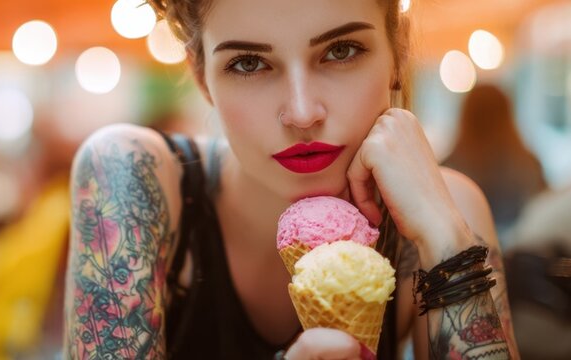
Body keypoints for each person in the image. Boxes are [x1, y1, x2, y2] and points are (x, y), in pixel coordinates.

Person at [62, 0, 518, 359]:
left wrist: (445, 241)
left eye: (341, 51)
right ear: (202, 76)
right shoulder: (132, 175)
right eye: (248, 63)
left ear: (397, 53)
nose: (302, 112)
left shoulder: (447, 209)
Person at [443, 83, 547, 241]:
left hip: (463, 256)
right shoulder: (529, 164)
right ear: (508, 115)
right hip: (520, 256)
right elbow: (541, 213)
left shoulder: (449, 169)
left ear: (465, 116)